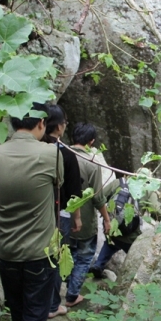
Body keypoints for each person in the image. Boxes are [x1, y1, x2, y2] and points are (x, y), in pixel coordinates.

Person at [0, 104, 64, 321]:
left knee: (18, 306)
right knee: (36, 311)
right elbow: (59, 183)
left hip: (6, 247)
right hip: (39, 250)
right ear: (42, 123)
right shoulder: (49, 153)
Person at [41, 103, 82, 318]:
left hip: (36, 214)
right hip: (60, 215)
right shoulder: (65, 154)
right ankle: (53, 305)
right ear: (58, 127)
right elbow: (74, 193)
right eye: (64, 123)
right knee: (56, 260)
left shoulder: (35, 150)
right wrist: (77, 218)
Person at [65, 122, 110, 306]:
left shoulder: (61, 157)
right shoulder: (92, 165)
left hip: (62, 219)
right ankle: (72, 295)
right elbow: (97, 198)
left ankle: (66, 285)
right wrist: (106, 220)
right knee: (84, 257)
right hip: (84, 219)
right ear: (91, 142)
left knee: (68, 254)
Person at [89, 170, 161, 278]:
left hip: (111, 226)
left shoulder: (119, 182)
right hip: (130, 231)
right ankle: (135, 275)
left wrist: (106, 217)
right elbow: (155, 211)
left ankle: (98, 265)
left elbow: (100, 196)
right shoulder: (149, 189)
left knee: (111, 243)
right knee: (134, 250)